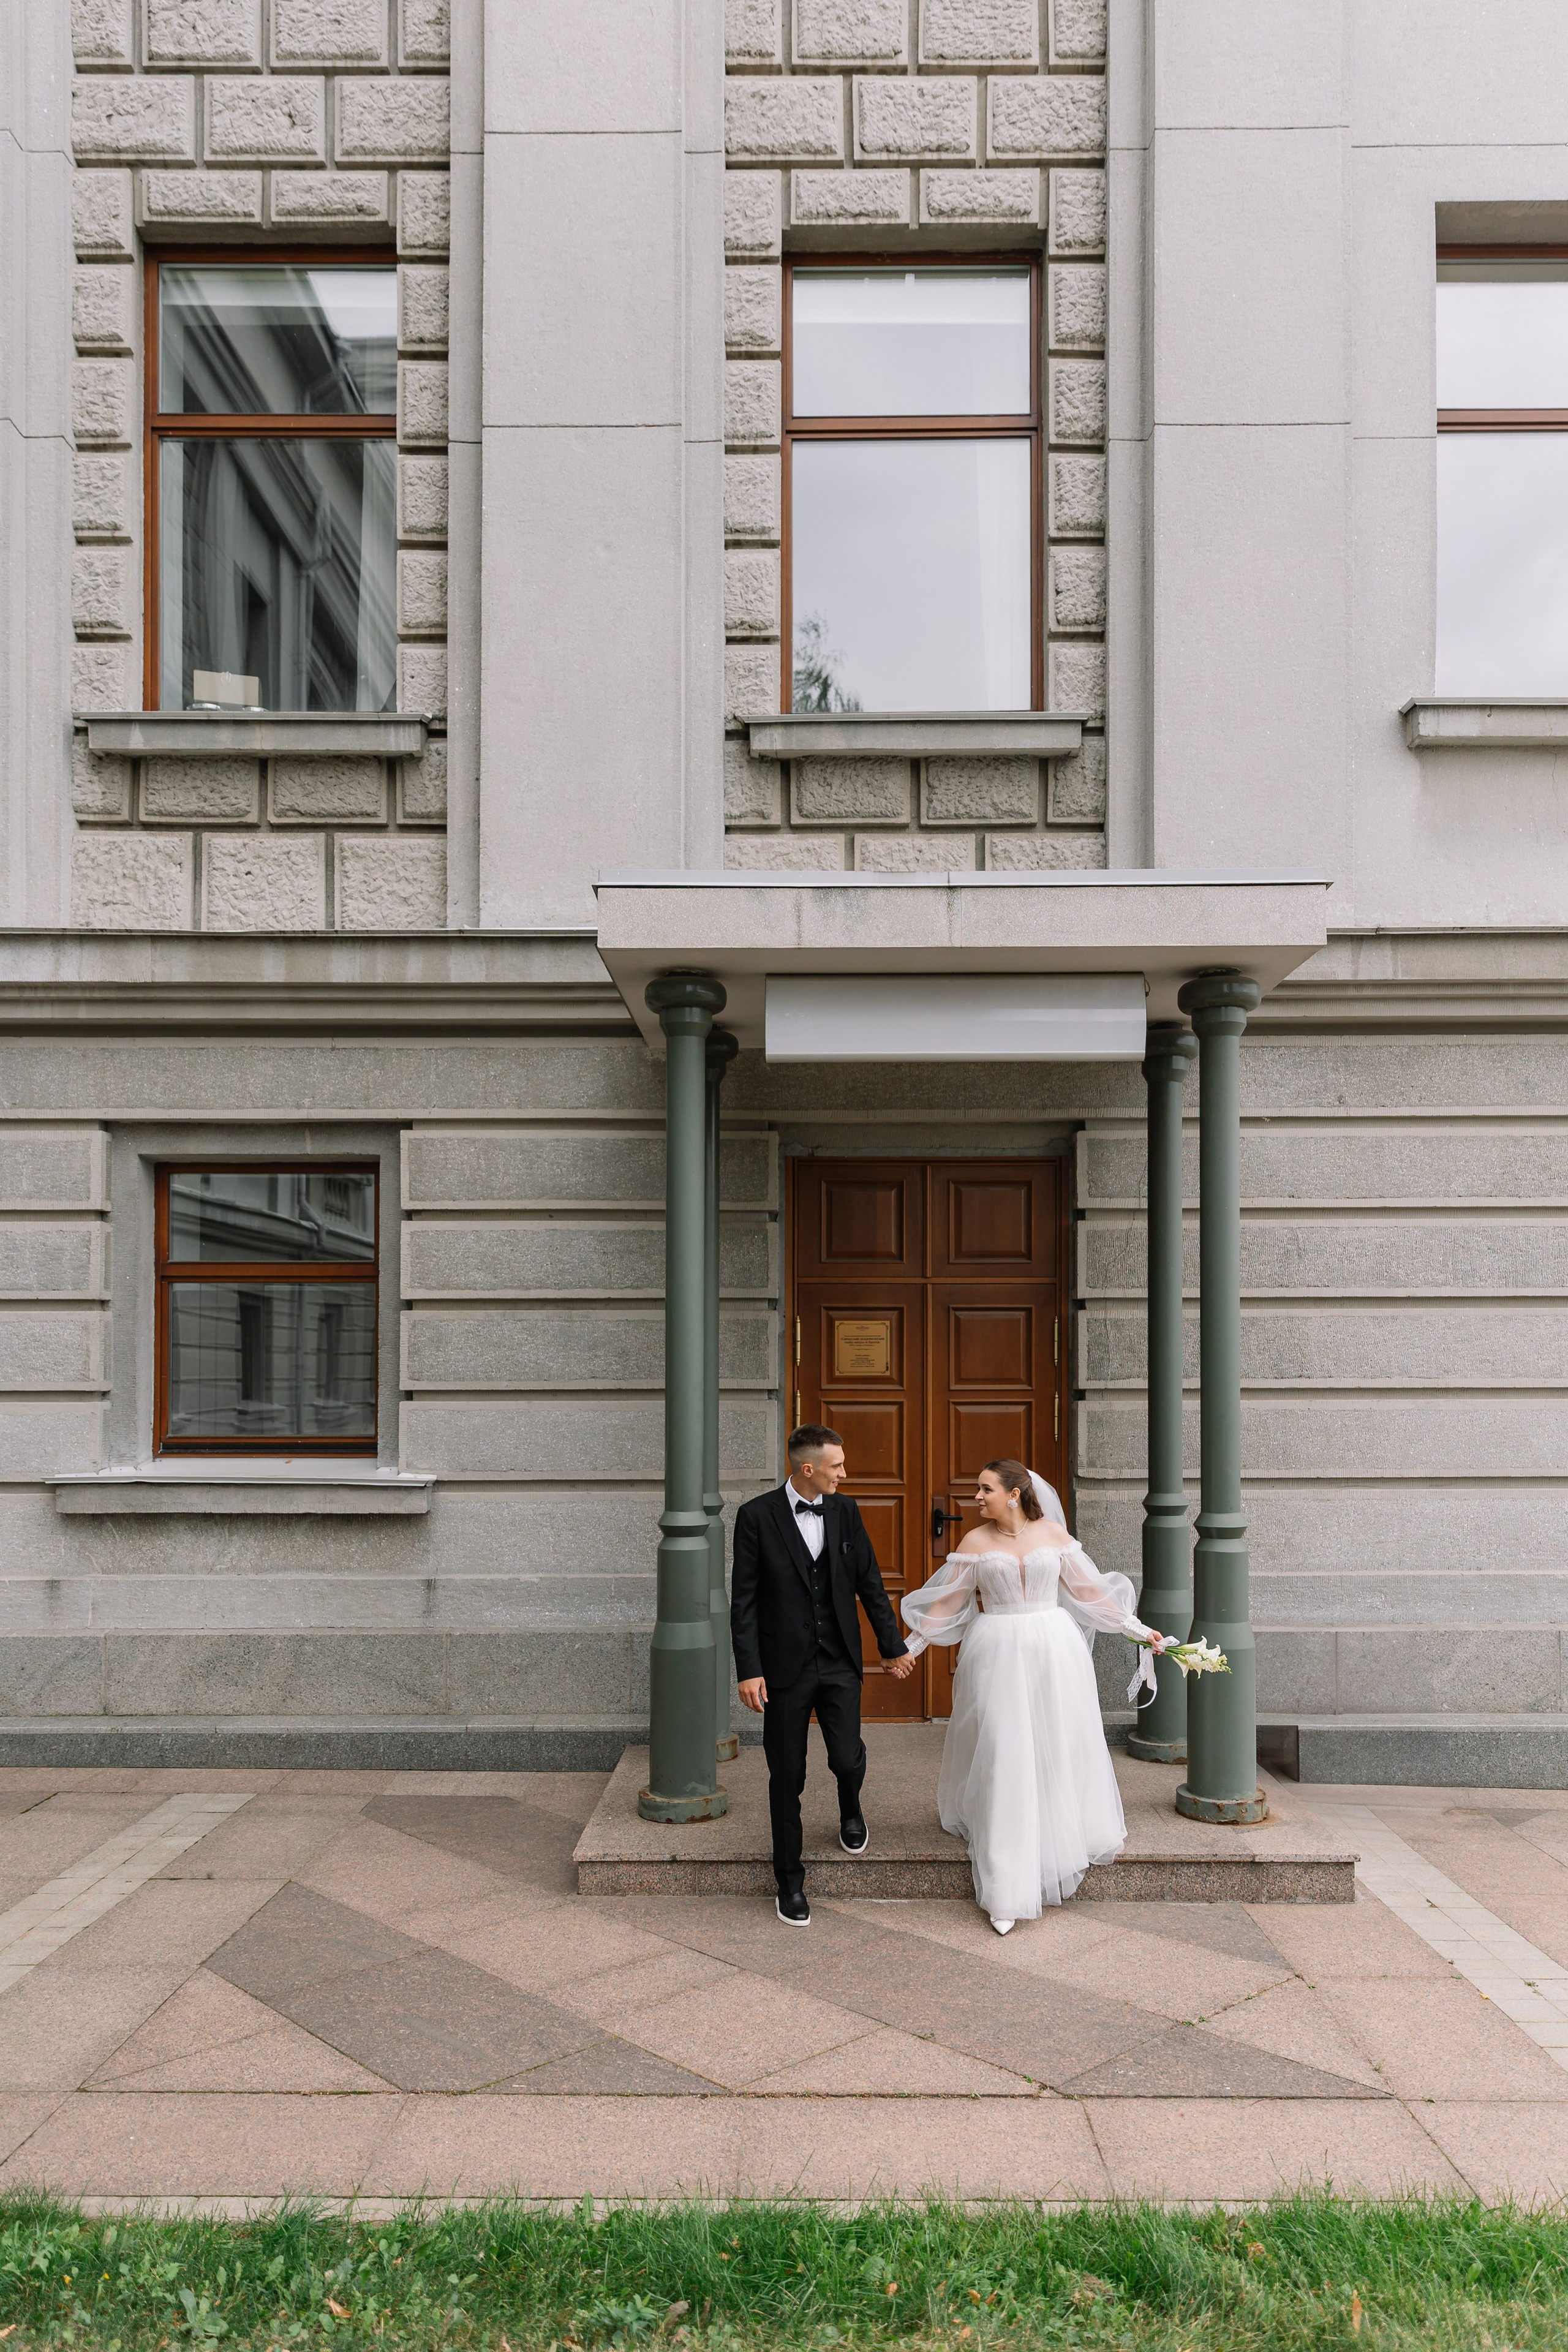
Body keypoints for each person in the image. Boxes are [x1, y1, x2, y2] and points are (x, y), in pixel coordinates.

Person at [900, 1458, 1165, 1931]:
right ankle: (1007, 1885)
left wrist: (1140, 1631)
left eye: (985, 1489)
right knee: (1004, 1749)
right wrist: (909, 1649)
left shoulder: (1053, 1536)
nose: (977, 1497)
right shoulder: (974, 1542)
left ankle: (1054, 1837)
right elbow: (946, 1603)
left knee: (1055, 1742)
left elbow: (1089, 1594)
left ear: (1014, 1494)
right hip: (996, 1651)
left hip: (1054, 1649)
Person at [731, 1423, 917, 1927]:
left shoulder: (845, 1511)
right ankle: (789, 1883)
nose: (845, 1473)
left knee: (846, 1757)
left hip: (839, 1661)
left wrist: (892, 1646)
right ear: (808, 1468)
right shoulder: (756, 1516)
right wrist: (749, 1670)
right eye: (837, 1466)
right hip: (783, 1669)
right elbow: (744, 1601)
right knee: (786, 1776)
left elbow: (870, 1583)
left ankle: (850, 1808)